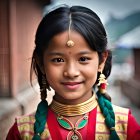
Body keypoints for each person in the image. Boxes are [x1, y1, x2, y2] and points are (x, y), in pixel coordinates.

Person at [6, 5, 140, 140]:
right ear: (41, 63)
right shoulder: (23, 132)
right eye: (58, 60)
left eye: (83, 59)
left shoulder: (124, 126)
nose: (71, 72)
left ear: (101, 61)